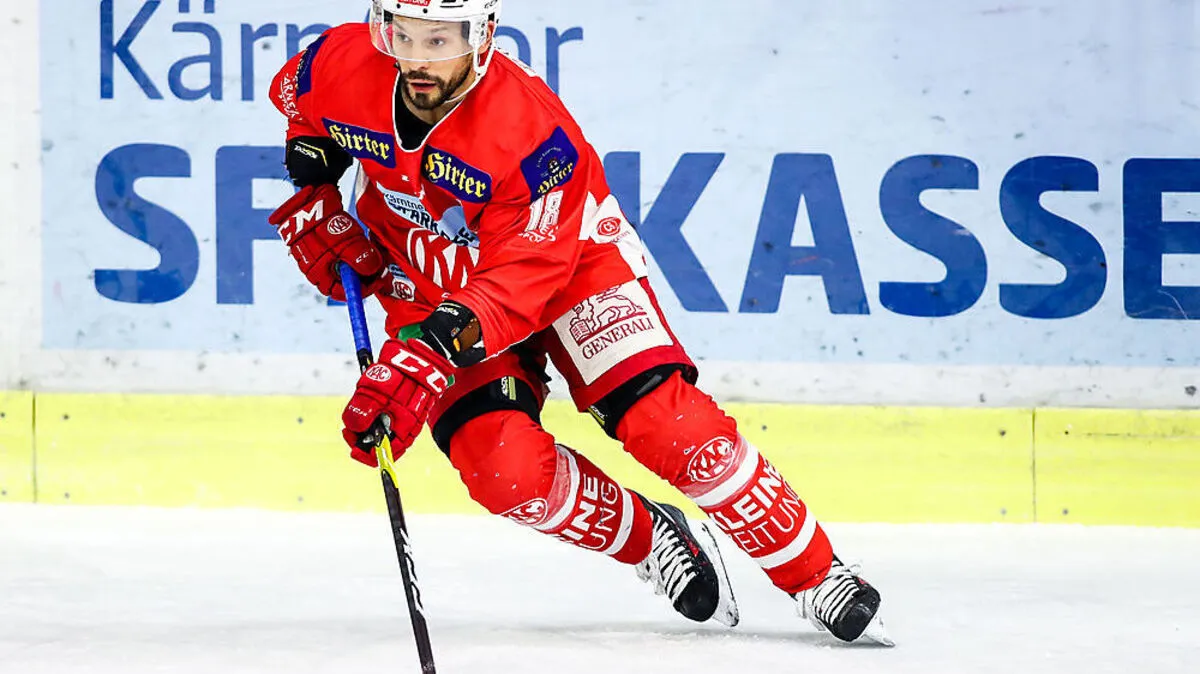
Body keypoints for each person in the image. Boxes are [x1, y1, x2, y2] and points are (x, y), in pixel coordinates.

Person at [267, 0, 891, 645]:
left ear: (482, 36)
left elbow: (527, 272)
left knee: (672, 427)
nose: (418, 58)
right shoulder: (345, 61)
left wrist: (429, 348)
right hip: (430, 280)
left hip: (569, 267)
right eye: (404, 35)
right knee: (503, 471)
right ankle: (653, 537)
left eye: (440, 40)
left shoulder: (530, 130)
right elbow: (296, 92)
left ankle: (816, 574)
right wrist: (313, 176)